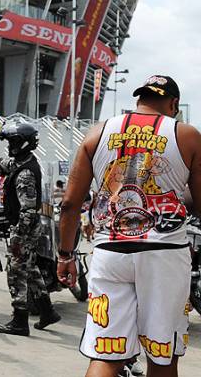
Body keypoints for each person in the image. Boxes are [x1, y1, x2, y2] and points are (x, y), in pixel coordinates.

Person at [58, 75, 201, 377]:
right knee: (162, 356)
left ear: (139, 100)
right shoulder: (187, 135)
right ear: (174, 104)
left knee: (106, 354)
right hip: (165, 255)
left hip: (110, 252)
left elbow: (70, 203)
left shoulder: (96, 134)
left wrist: (66, 255)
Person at [0, 122, 61, 336]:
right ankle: (48, 312)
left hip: (24, 229)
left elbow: (28, 210)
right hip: (28, 229)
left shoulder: (25, 172)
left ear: (22, 143)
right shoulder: (23, 162)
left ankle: (19, 321)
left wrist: (18, 236)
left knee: (15, 272)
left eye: (12, 142)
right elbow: (1, 162)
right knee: (30, 268)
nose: (9, 146)